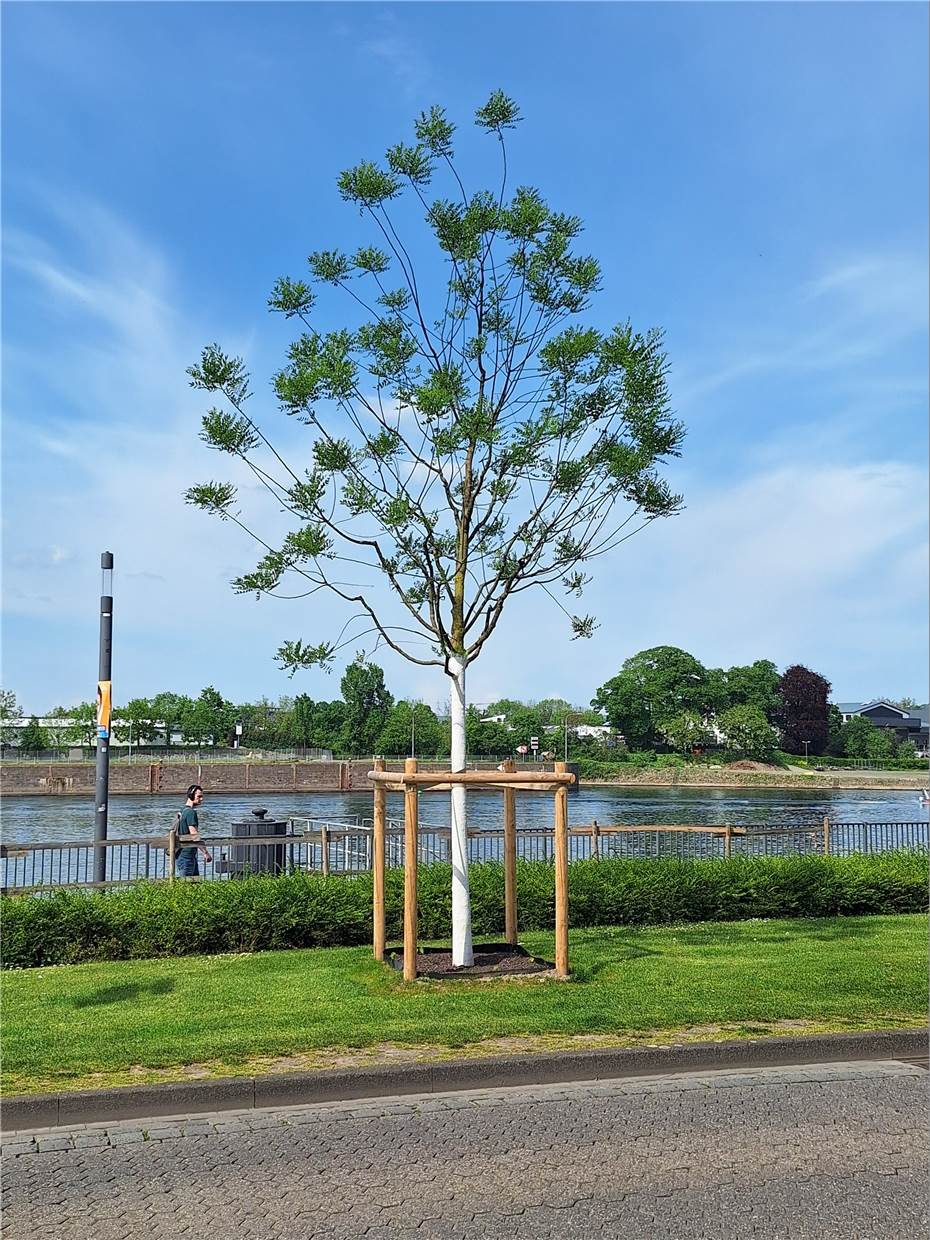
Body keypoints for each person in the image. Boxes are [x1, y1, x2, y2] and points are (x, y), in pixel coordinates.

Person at [176, 784, 212, 877]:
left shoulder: (182, 810)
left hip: (182, 853)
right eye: (199, 796)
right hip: (187, 854)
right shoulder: (191, 812)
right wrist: (205, 853)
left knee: (194, 883)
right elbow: (194, 835)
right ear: (191, 795)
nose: (201, 799)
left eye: (202, 796)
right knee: (187, 884)